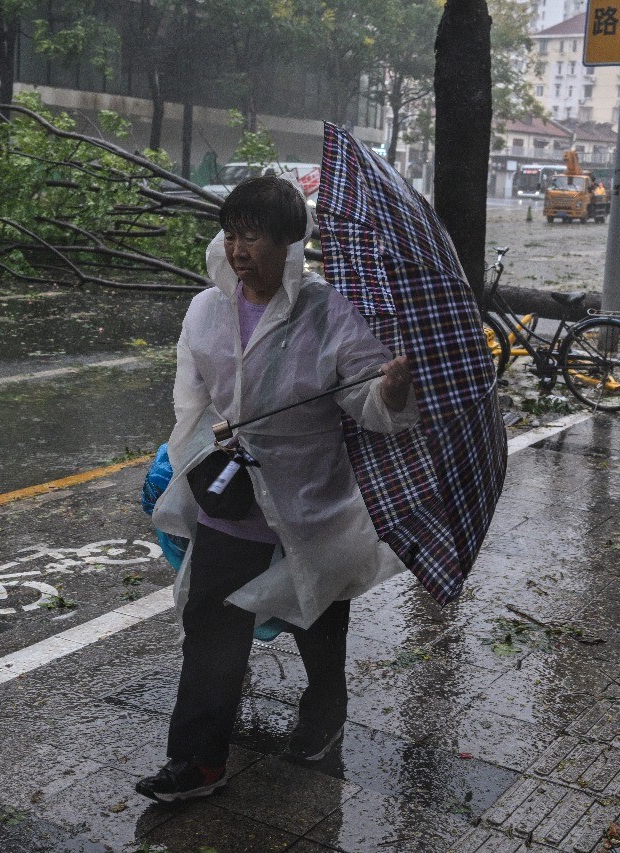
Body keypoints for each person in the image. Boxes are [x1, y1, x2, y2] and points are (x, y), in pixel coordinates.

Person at [141, 176, 418, 803]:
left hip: (309, 507)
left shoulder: (329, 312)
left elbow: (368, 407)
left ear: (290, 243)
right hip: (231, 498)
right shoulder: (206, 308)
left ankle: (324, 716)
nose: (240, 250)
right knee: (210, 627)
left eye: (255, 236)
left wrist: (393, 389)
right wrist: (201, 440)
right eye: (232, 234)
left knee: (317, 630)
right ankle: (197, 762)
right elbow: (192, 396)